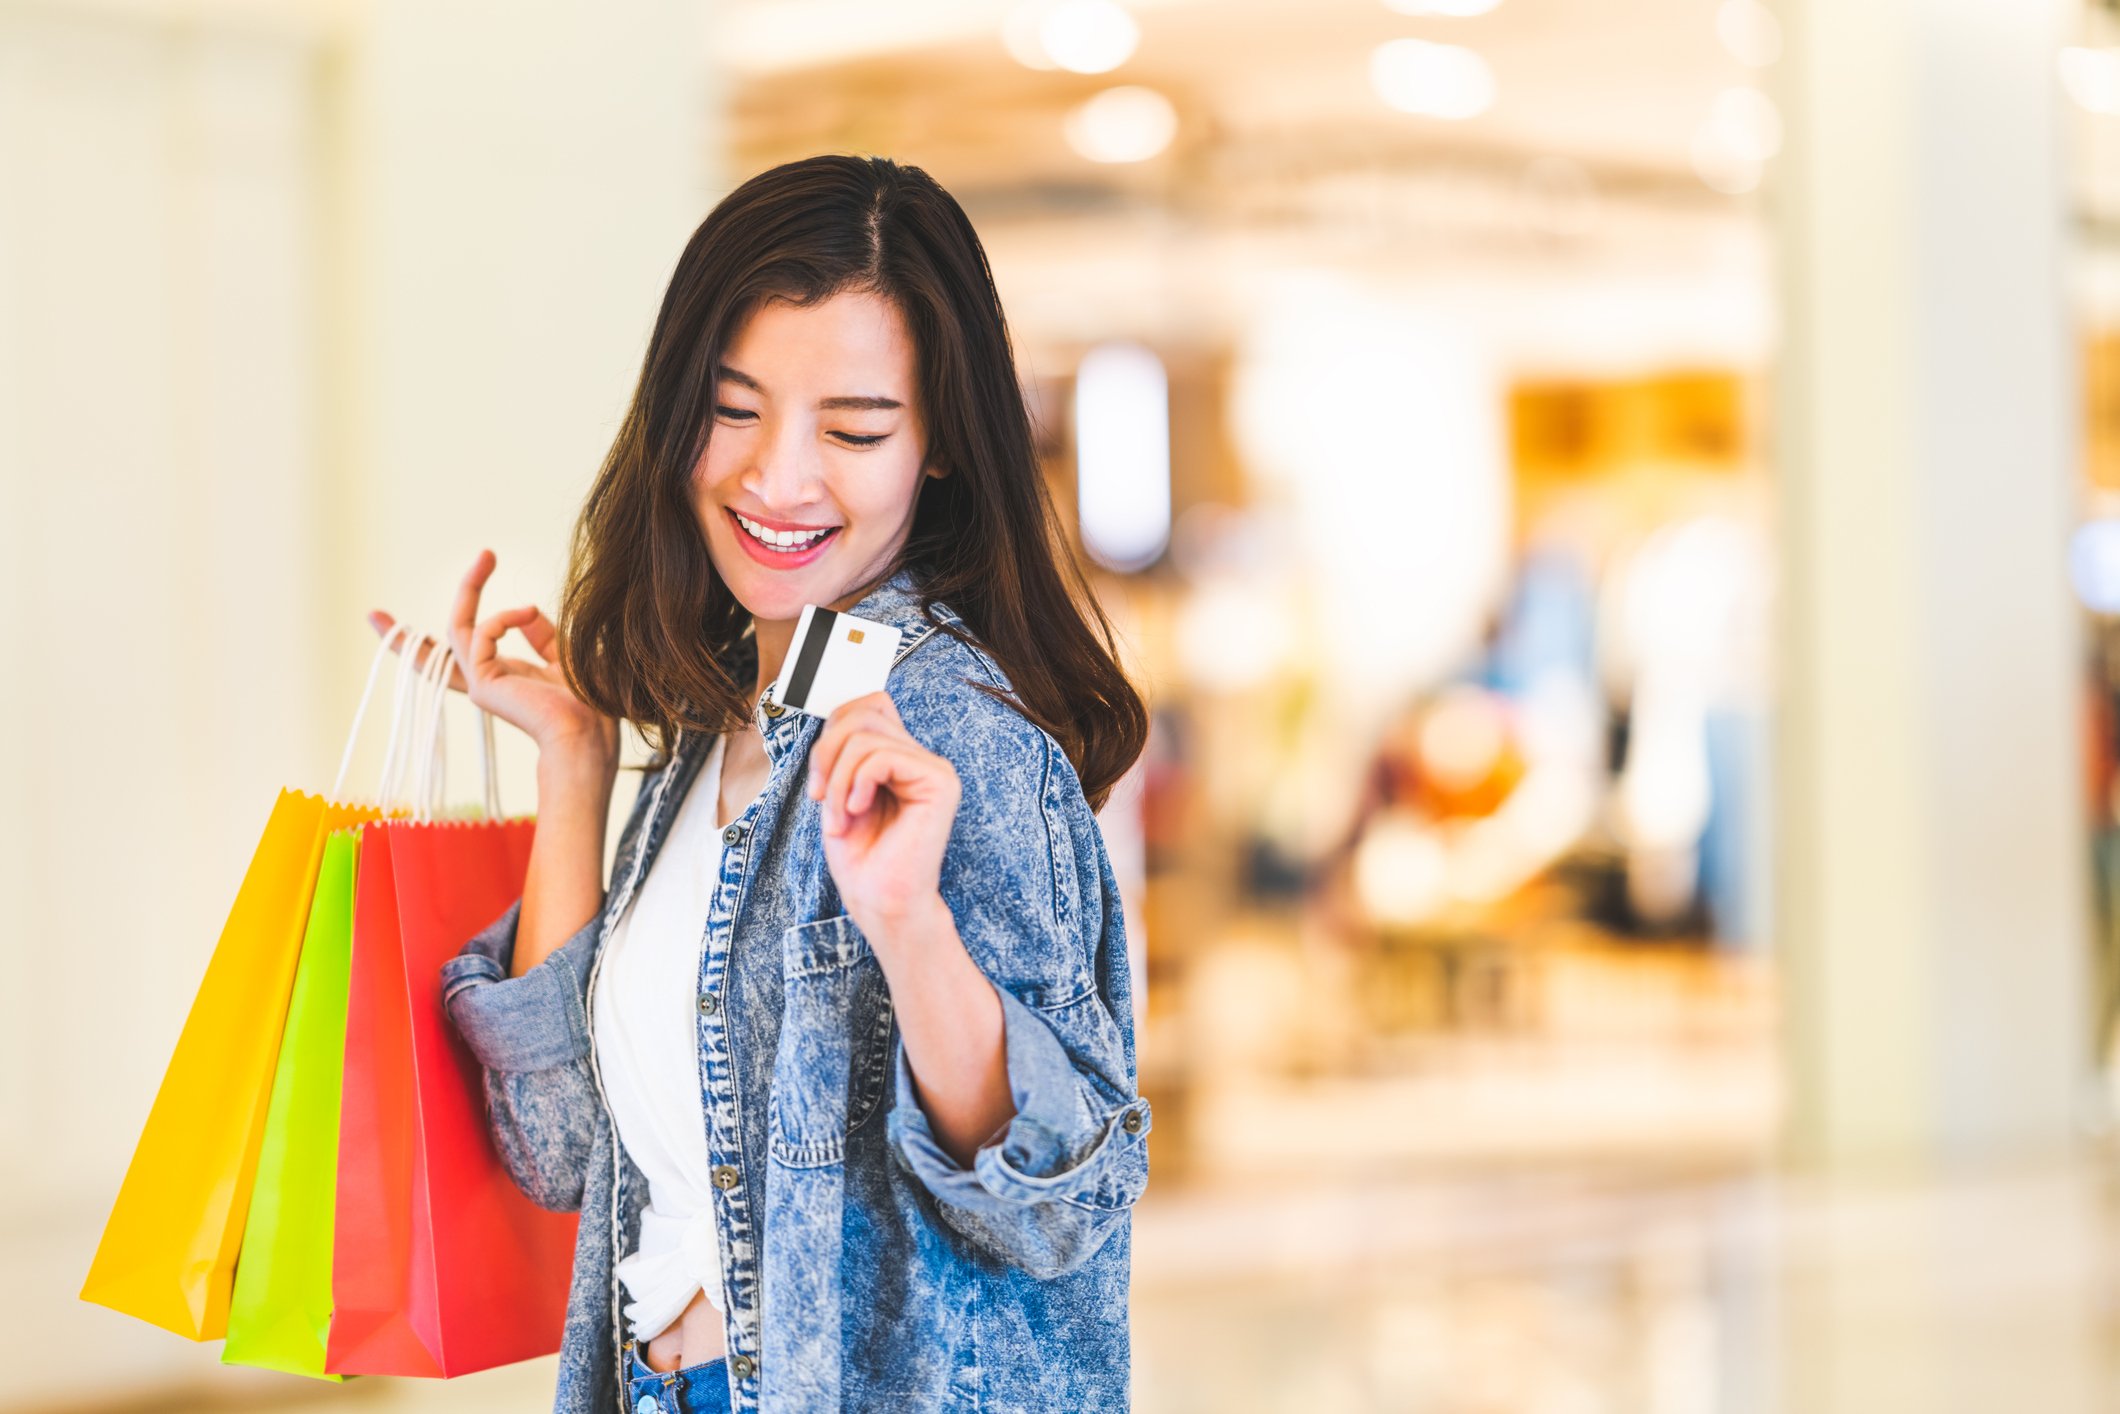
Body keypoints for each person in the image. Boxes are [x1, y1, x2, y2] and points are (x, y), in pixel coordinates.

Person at [367, 154, 1153, 1414]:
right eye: (733, 409)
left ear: (940, 446)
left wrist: (910, 927)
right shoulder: (712, 724)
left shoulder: (959, 738)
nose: (778, 478)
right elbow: (561, 1150)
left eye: (852, 429)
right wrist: (576, 764)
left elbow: (1057, 1207)